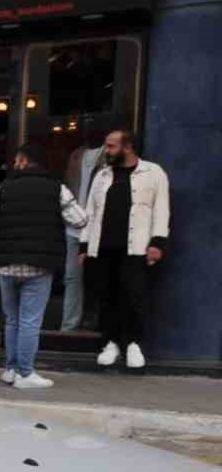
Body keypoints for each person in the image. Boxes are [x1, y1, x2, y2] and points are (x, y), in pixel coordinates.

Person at [0, 143, 87, 390]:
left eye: (17, 160)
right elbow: (80, 219)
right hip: (39, 265)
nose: (15, 164)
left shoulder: (2, 190)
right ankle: (25, 374)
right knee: (30, 321)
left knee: (12, 320)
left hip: (6, 265)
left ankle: (10, 369)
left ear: (25, 162)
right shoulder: (57, 189)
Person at [79, 128, 170, 371]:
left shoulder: (153, 172)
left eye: (110, 146)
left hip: (136, 248)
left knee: (133, 297)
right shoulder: (102, 175)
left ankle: (133, 344)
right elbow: (90, 211)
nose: (106, 151)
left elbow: (161, 210)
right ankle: (110, 343)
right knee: (106, 297)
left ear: (127, 147)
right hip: (102, 248)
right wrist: (84, 246)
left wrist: (157, 242)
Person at [60, 120, 104, 331]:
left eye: (91, 123)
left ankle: (97, 322)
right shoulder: (76, 155)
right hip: (74, 227)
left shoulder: (109, 154)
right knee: (72, 277)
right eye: (84, 125)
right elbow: (68, 188)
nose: (86, 128)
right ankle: (69, 326)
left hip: (99, 228)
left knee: (98, 276)